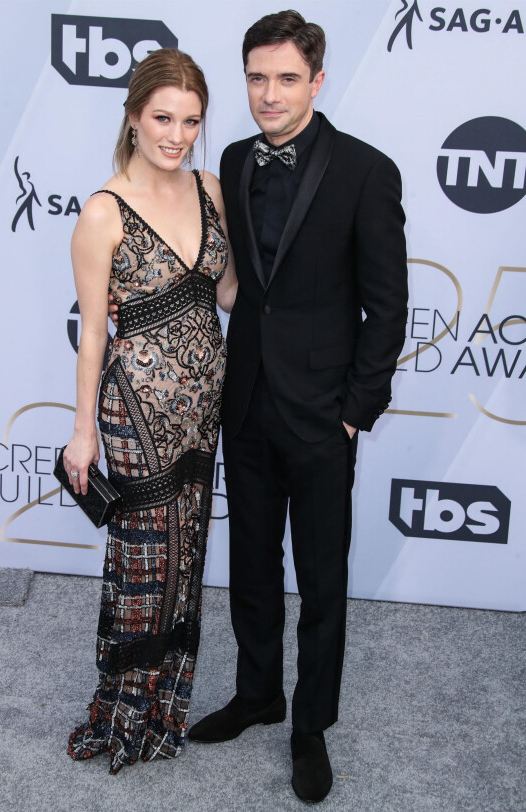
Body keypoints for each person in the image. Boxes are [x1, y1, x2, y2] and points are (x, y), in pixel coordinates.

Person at [185, 11, 409, 804]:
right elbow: (246, 287)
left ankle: (309, 723)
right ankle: (256, 694)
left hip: (322, 414)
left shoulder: (366, 171)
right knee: (249, 562)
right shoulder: (235, 158)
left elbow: (388, 309)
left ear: (317, 80)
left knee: (320, 575)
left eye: (285, 79)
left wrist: (354, 412)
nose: (268, 95)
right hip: (244, 401)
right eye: (255, 78)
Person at [62, 48, 236, 774]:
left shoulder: (210, 188)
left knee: (187, 556)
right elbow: (93, 331)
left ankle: (165, 707)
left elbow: (226, 294)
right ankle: (123, 711)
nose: (177, 134)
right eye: (163, 118)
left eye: (191, 120)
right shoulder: (103, 212)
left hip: (203, 406)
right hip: (134, 411)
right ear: (133, 117)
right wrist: (81, 434)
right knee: (146, 564)